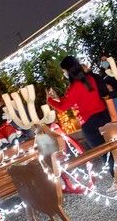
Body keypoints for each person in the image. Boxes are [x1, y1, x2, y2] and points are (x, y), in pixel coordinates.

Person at [47, 56, 113, 187]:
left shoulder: (75, 87)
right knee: (112, 147)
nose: (63, 74)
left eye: (63, 71)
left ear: (68, 70)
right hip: (104, 115)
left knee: (103, 152)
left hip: (90, 122)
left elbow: (63, 106)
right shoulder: (89, 79)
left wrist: (49, 99)